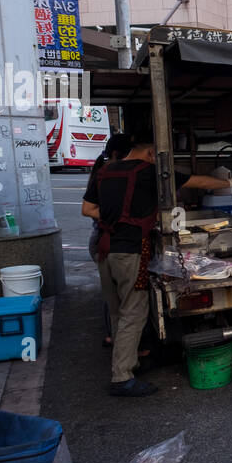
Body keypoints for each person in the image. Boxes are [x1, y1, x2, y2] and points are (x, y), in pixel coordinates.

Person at [82, 137, 232, 397]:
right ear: (148, 152)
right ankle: (121, 376)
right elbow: (197, 181)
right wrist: (231, 183)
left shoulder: (104, 172)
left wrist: (114, 218)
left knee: (116, 311)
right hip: (129, 252)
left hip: (104, 250)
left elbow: (87, 209)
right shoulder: (147, 171)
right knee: (133, 312)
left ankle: (127, 362)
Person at [84, 132, 133, 347]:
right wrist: (120, 219)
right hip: (104, 241)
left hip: (103, 240)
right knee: (115, 298)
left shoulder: (105, 171)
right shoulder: (107, 174)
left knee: (115, 295)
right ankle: (114, 336)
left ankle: (117, 336)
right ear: (116, 153)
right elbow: (88, 209)